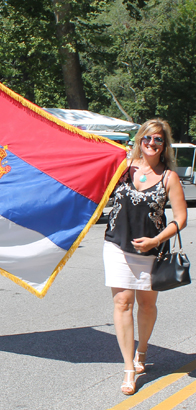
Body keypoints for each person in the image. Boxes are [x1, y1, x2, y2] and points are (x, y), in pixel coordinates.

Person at [104, 118, 187, 395]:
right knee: (123, 302)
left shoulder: (168, 177)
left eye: (158, 140)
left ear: (165, 146)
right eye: (147, 138)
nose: (151, 143)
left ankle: (142, 349)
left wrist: (155, 239)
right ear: (140, 140)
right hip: (116, 245)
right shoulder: (124, 168)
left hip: (152, 251)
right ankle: (129, 369)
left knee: (146, 305)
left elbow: (180, 219)